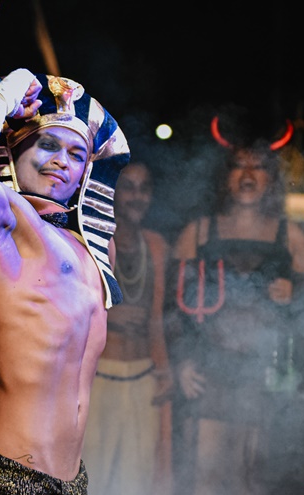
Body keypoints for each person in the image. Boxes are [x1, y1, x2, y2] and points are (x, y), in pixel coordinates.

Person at [0, 68, 130, 494]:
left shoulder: (97, 249)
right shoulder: (6, 216)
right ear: (13, 152)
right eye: (48, 144)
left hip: (73, 481)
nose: (63, 161)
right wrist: (5, 94)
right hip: (7, 476)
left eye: (77, 154)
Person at [168, 114, 304, 495]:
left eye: (259, 167)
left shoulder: (292, 237)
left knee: (251, 479)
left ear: (271, 178)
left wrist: (295, 293)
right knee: (204, 477)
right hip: (209, 371)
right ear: (225, 176)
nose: (248, 175)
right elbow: (172, 308)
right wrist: (182, 361)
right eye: (239, 166)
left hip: (263, 377)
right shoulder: (197, 233)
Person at [81, 161, 173, 495]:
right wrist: (110, 314)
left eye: (144, 188)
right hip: (98, 378)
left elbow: (157, 319)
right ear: (113, 193)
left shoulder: (157, 246)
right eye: (128, 187)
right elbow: (72, 313)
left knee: (139, 481)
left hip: (143, 377)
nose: (137, 196)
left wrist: (163, 371)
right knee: (91, 477)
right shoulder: (90, 239)